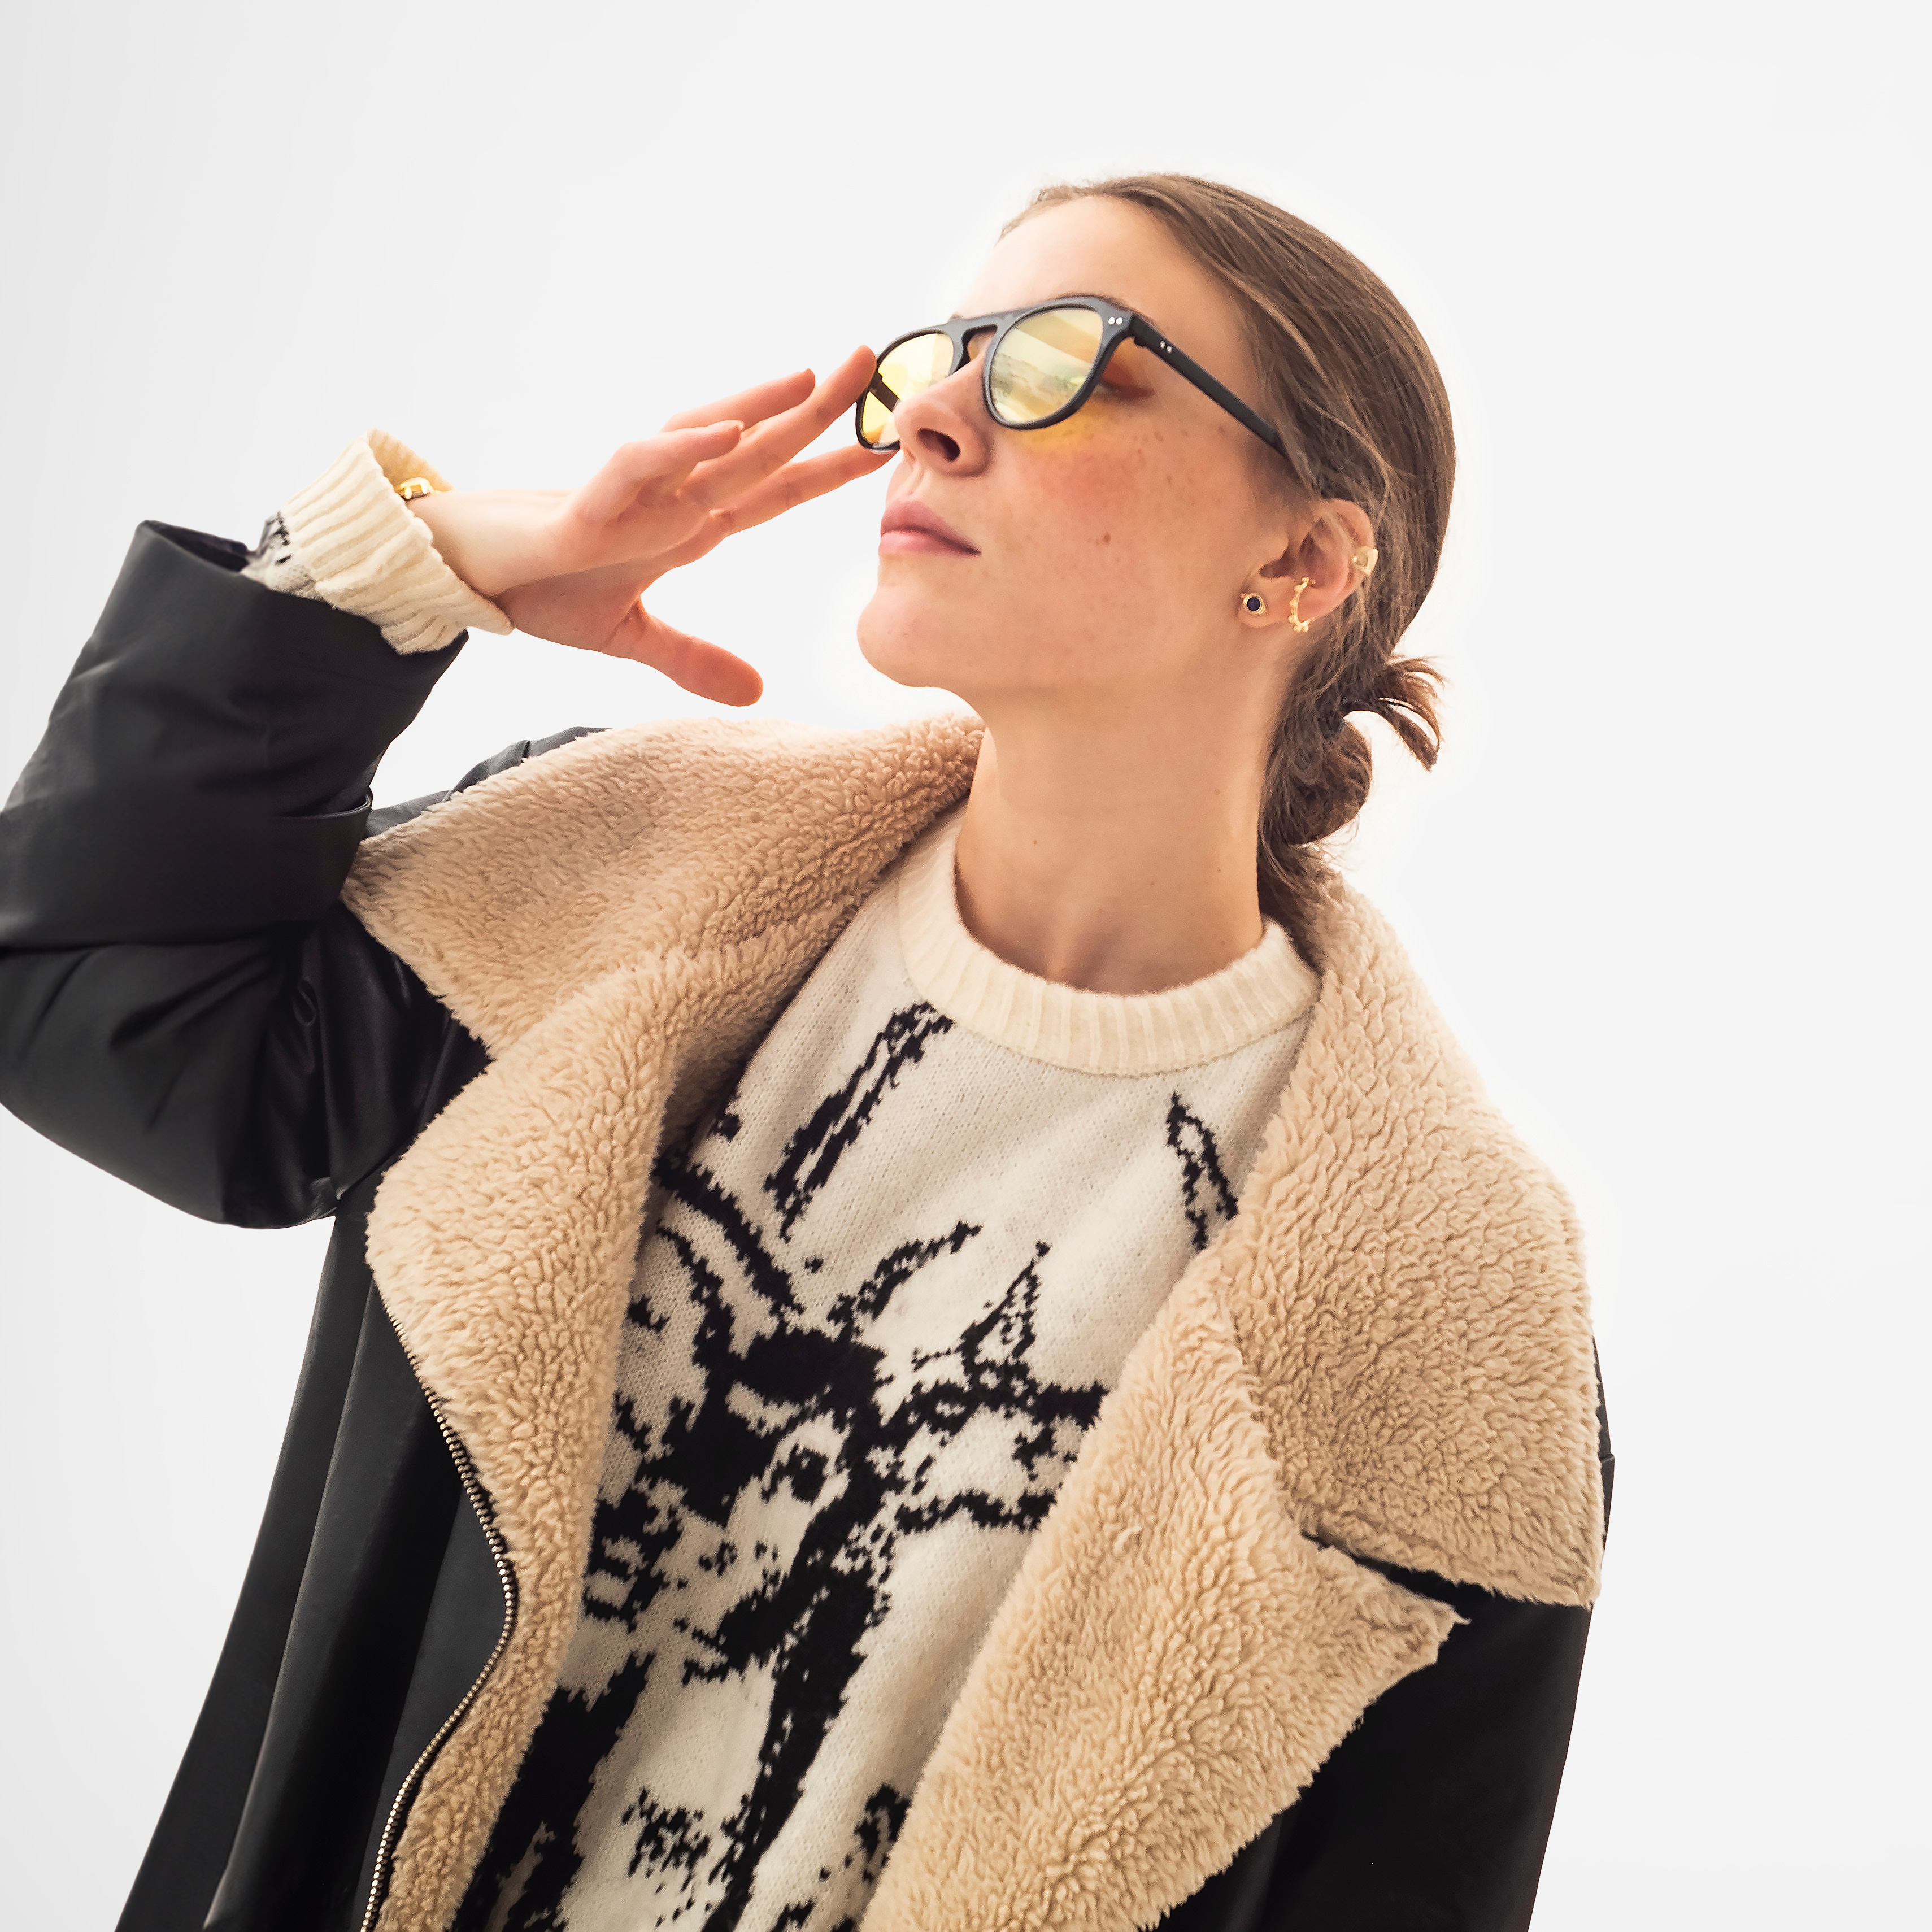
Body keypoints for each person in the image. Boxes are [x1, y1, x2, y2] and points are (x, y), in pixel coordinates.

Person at [0, 173, 1611, 1932]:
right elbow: (90, 998)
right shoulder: (608, 893)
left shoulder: (1448, 1314)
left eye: (1061, 361)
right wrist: (415, 571)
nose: (930, 414)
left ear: (1300, 559)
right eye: (946, 353)